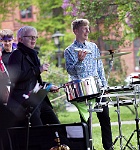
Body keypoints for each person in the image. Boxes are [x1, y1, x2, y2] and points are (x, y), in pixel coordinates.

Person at [64, 19, 113, 150]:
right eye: (84, 28)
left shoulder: (93, 47)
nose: (88, 31)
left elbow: (99, 67)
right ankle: (88, 147)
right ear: (75, 31)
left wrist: (104, 85)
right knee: (86, 122)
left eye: (88, 28)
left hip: (97, 87)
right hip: (82, 90)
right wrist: (79, 61)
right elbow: (70, 70)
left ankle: (108, 147)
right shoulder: (69, 50)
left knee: (105, 119)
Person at [7, 26, 61, 127]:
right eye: (31, 37)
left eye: (35, 37)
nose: (33, 40)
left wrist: (48, 86)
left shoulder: (33, 55)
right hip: (25, 103)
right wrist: (38, 69)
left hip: (38, 99)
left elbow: (33, 81)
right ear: (20, 39)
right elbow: (16, 77)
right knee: (38, 132)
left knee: (57, 127)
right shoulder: (16, 55)